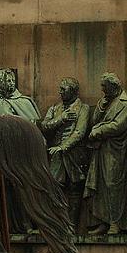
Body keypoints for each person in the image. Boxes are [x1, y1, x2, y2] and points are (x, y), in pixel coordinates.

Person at [84, 72, 127, 235]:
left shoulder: (126, 103)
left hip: (117, 152)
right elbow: (94, 120)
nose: (102, 90)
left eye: (104, 86)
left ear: (113, 86)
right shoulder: (104, 101)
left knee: (114, 186)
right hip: (101, 151)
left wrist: (99, 130)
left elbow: (119, 125)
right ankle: (103, 221)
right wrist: (101, 107)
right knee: (101, 186)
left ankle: (115, 222)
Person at [40, 77, 91, 226]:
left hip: (75, 155)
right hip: (57, 156)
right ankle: (56, 224)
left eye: (64, 89)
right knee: (54, 188)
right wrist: (61, 118)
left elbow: (80, 132)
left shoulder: (83, 108)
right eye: (60, 89)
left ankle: (71, 226)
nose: (60, 92)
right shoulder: (55, 109)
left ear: (73, 91)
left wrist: (63, 147)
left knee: (75, 189)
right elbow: (44, 126)